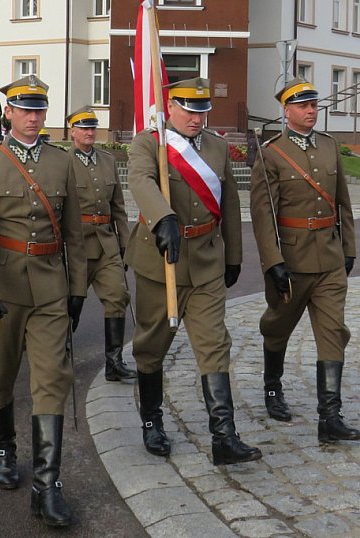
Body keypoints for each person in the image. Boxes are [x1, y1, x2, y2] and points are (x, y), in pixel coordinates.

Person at [0, 76, 85, 527]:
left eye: (40, 110)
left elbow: (74, 232)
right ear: (7, 112)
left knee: (52, 380)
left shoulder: (62, 161)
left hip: (50, 289)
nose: (33, 118)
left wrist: (78, 288)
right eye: (24, 110)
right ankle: (3, 447)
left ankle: (47, 486)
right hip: (3, 288)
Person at [125, 77, 261, 466]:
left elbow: (230, 200)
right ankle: (152, 421)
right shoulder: (149, 143)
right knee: (151, 346)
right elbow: (140, 180)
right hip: (161, 261)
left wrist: (233, 254)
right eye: (188, 110)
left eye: (202, 112)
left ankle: (224, 437)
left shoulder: (216, 146)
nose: (195, 119)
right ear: (170, 107)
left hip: (205, 259)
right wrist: (162, 217)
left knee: (214, 344)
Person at [250, 78, 359, 442]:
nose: (311, 111)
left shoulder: (329, 147)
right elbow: (264, 215)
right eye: (302, 106)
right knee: (278, 326)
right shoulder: (271, 152)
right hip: (291, 261)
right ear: (287, 111)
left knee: (333, 333)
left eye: (313, 105)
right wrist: (272, 262)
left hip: (328, 260)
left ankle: (330, 417)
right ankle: (271, 387)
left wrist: (349, 248)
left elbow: (343, 202)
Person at [66, 106, 135, 382]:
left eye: (92, 127)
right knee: (70, 304)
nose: (89, 132)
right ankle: (59, 355)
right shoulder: (63, 162)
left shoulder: (107, 160)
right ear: (72, 131)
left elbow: (118, 206)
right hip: (77, 246)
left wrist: (124, 242)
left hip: (106, 244)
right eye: (83, 127)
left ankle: (114, 362)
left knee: (117, 297)